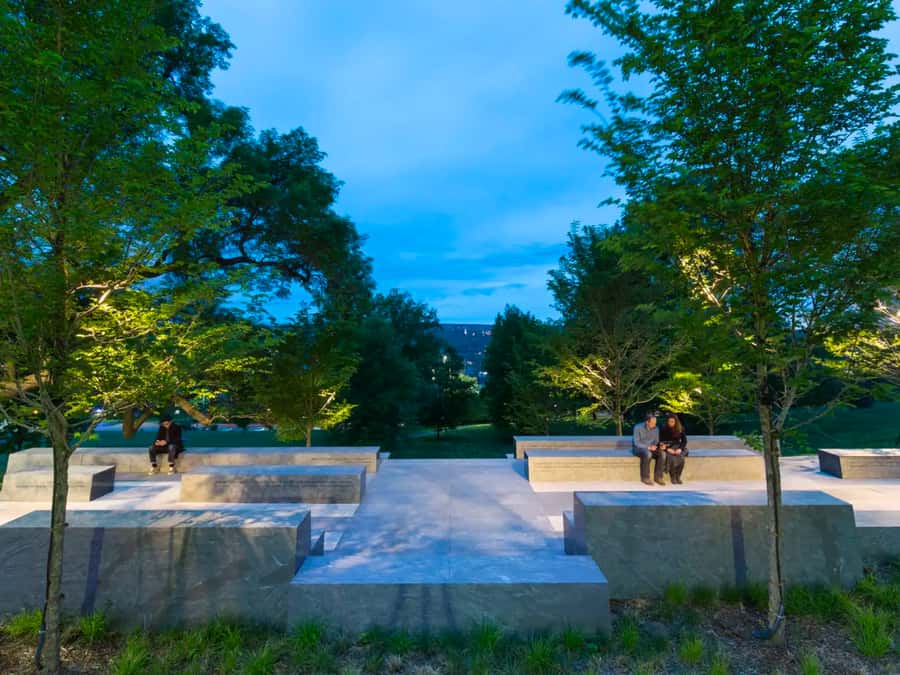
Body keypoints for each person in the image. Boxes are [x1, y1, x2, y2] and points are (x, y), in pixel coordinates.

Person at [632, 412, 666, 485]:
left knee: (662, 454)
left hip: (651, 448)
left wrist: (660, 445)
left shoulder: (656, 428)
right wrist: (648, 447)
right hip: (639, 448)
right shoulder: (637, 427)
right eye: (653, 423)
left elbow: (656, 441)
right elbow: (636, 443)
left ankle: (658, 477)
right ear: (647, 422)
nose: (654, 425)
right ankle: (645, 478)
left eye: (655, 423)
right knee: (648, 454)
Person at [659, 413, 688, 484]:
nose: (670, 423)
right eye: (669, 421)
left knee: (681, 458)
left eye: (672, 422)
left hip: (678, 447)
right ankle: (673, 477)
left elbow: (684, 441)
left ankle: (678, 476)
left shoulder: (680, 428)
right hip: (668, 447)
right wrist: (667, 449)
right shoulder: (663, 428)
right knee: (670, 458)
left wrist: (680, 449)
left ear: (676, 422)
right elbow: (660, 441)